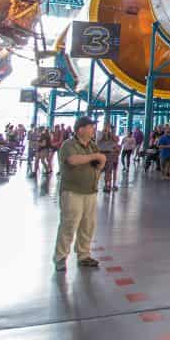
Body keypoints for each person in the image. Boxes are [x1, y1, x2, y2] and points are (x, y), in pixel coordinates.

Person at [53, 116, 105, 272]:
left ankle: (84, 254)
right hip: (72, 191)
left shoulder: (92, 146)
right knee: (69, 224)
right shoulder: (69, 145)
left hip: (90, 191)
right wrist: (95, 157)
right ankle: (60, 257)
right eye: (90, 127)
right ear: (80, 129)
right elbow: (73, 160)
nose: (93, 130)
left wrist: (98, 159)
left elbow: (100, 163)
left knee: (88, 225)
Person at [97, 122, 121, 193]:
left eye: (109, 127)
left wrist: (112, 133)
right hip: (101, 153)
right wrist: (105, 132)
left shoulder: (112, 135)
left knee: (109, 171)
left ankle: (107, 185)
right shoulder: (99, 133)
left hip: (109, 154)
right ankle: (94, 184)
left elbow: (116, 140)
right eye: (106, 126)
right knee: (98, 171)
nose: (108, 128)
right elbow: (99, 139)